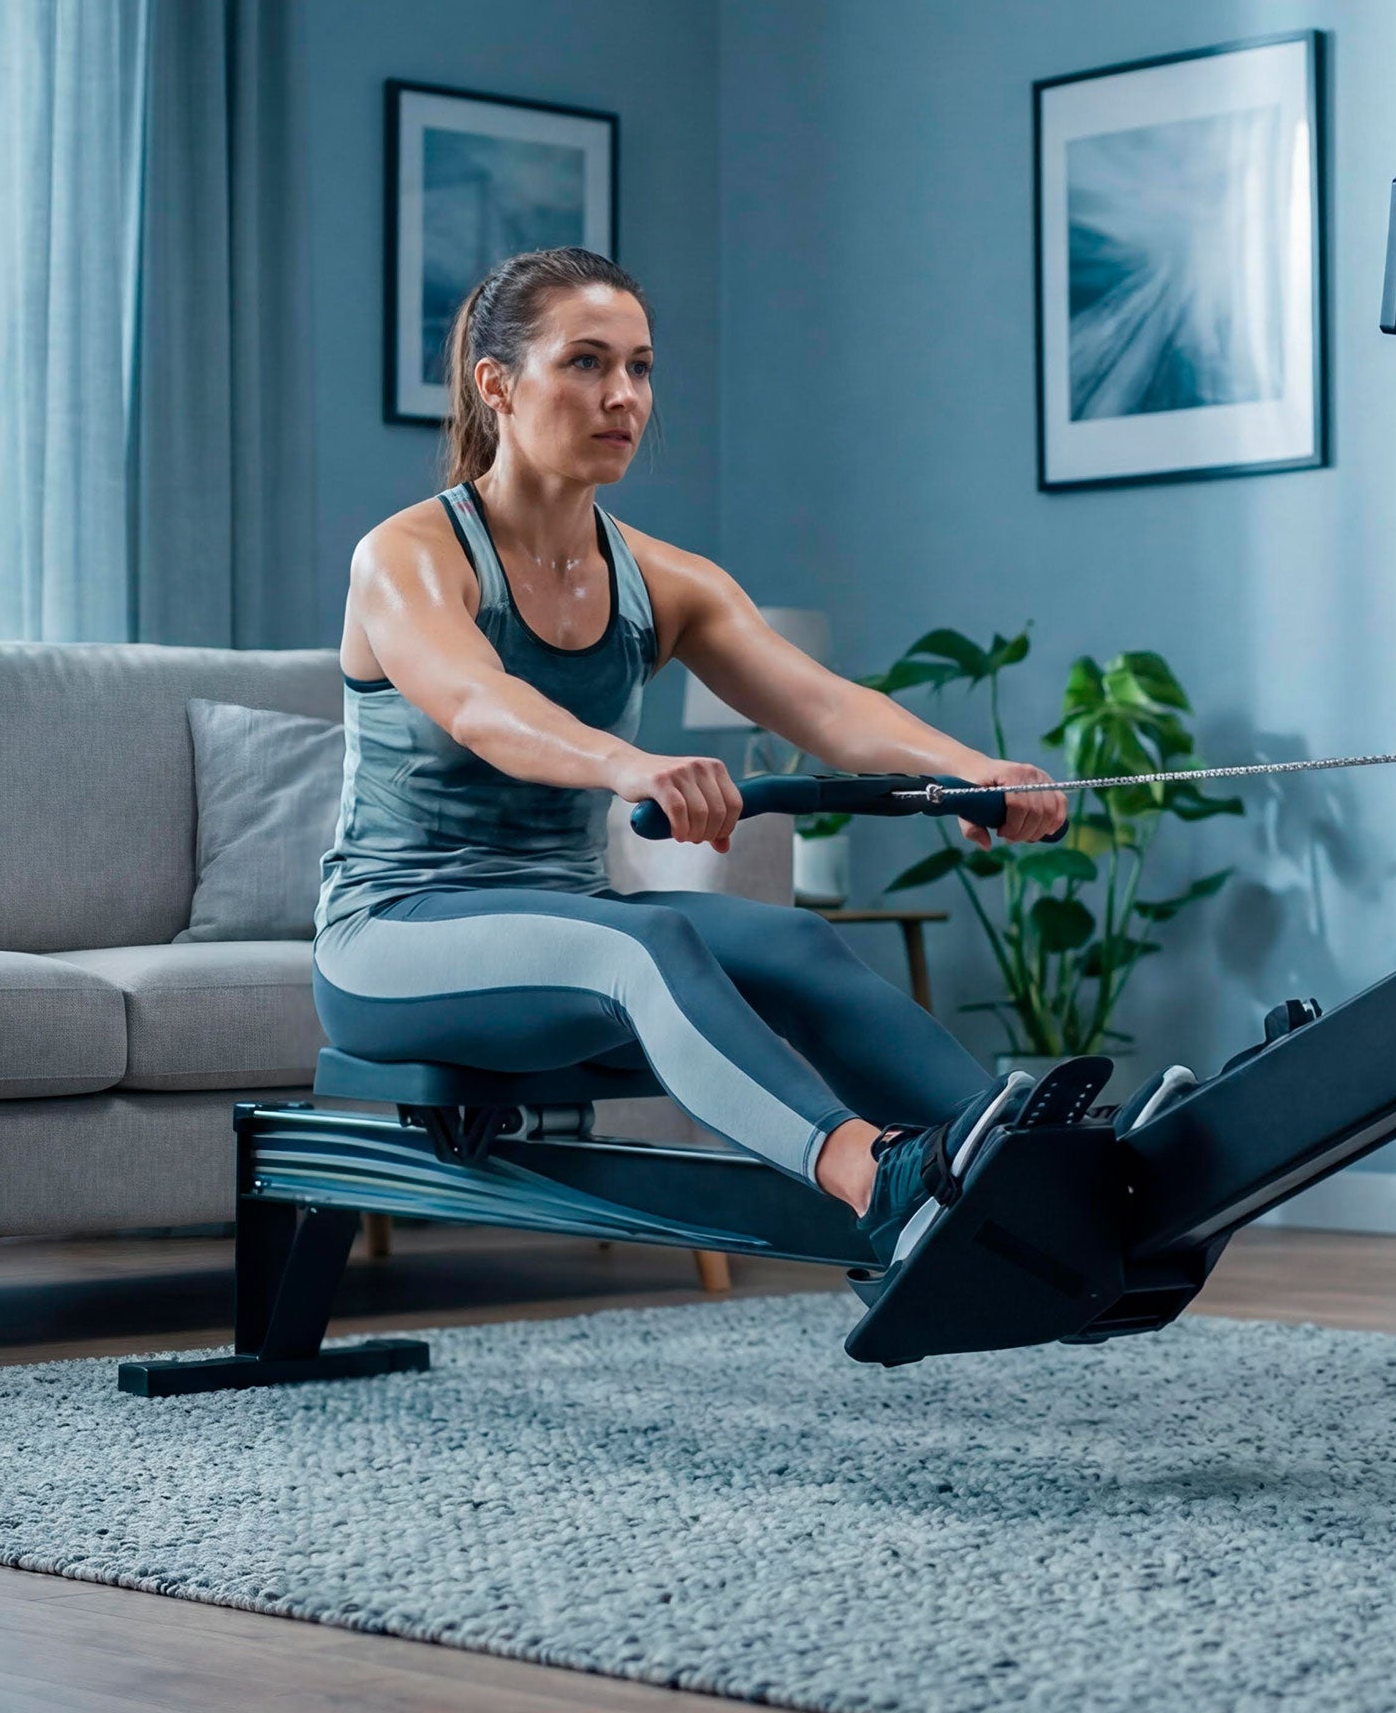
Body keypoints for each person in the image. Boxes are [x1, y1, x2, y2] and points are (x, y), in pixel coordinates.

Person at [314, 246, 1082, 1252]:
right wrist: (628, 765)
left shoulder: (664, 579)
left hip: (572, 926)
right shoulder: (408, 555)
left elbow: (824, 705)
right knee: (644, 942)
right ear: (495, 385)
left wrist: (969, 769)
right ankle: (877, 1179)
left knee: (795, 943)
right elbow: (478, 704)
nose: (623, 395)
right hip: (392, 939)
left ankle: (1035, 1171)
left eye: (639, 367)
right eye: (586, 362)